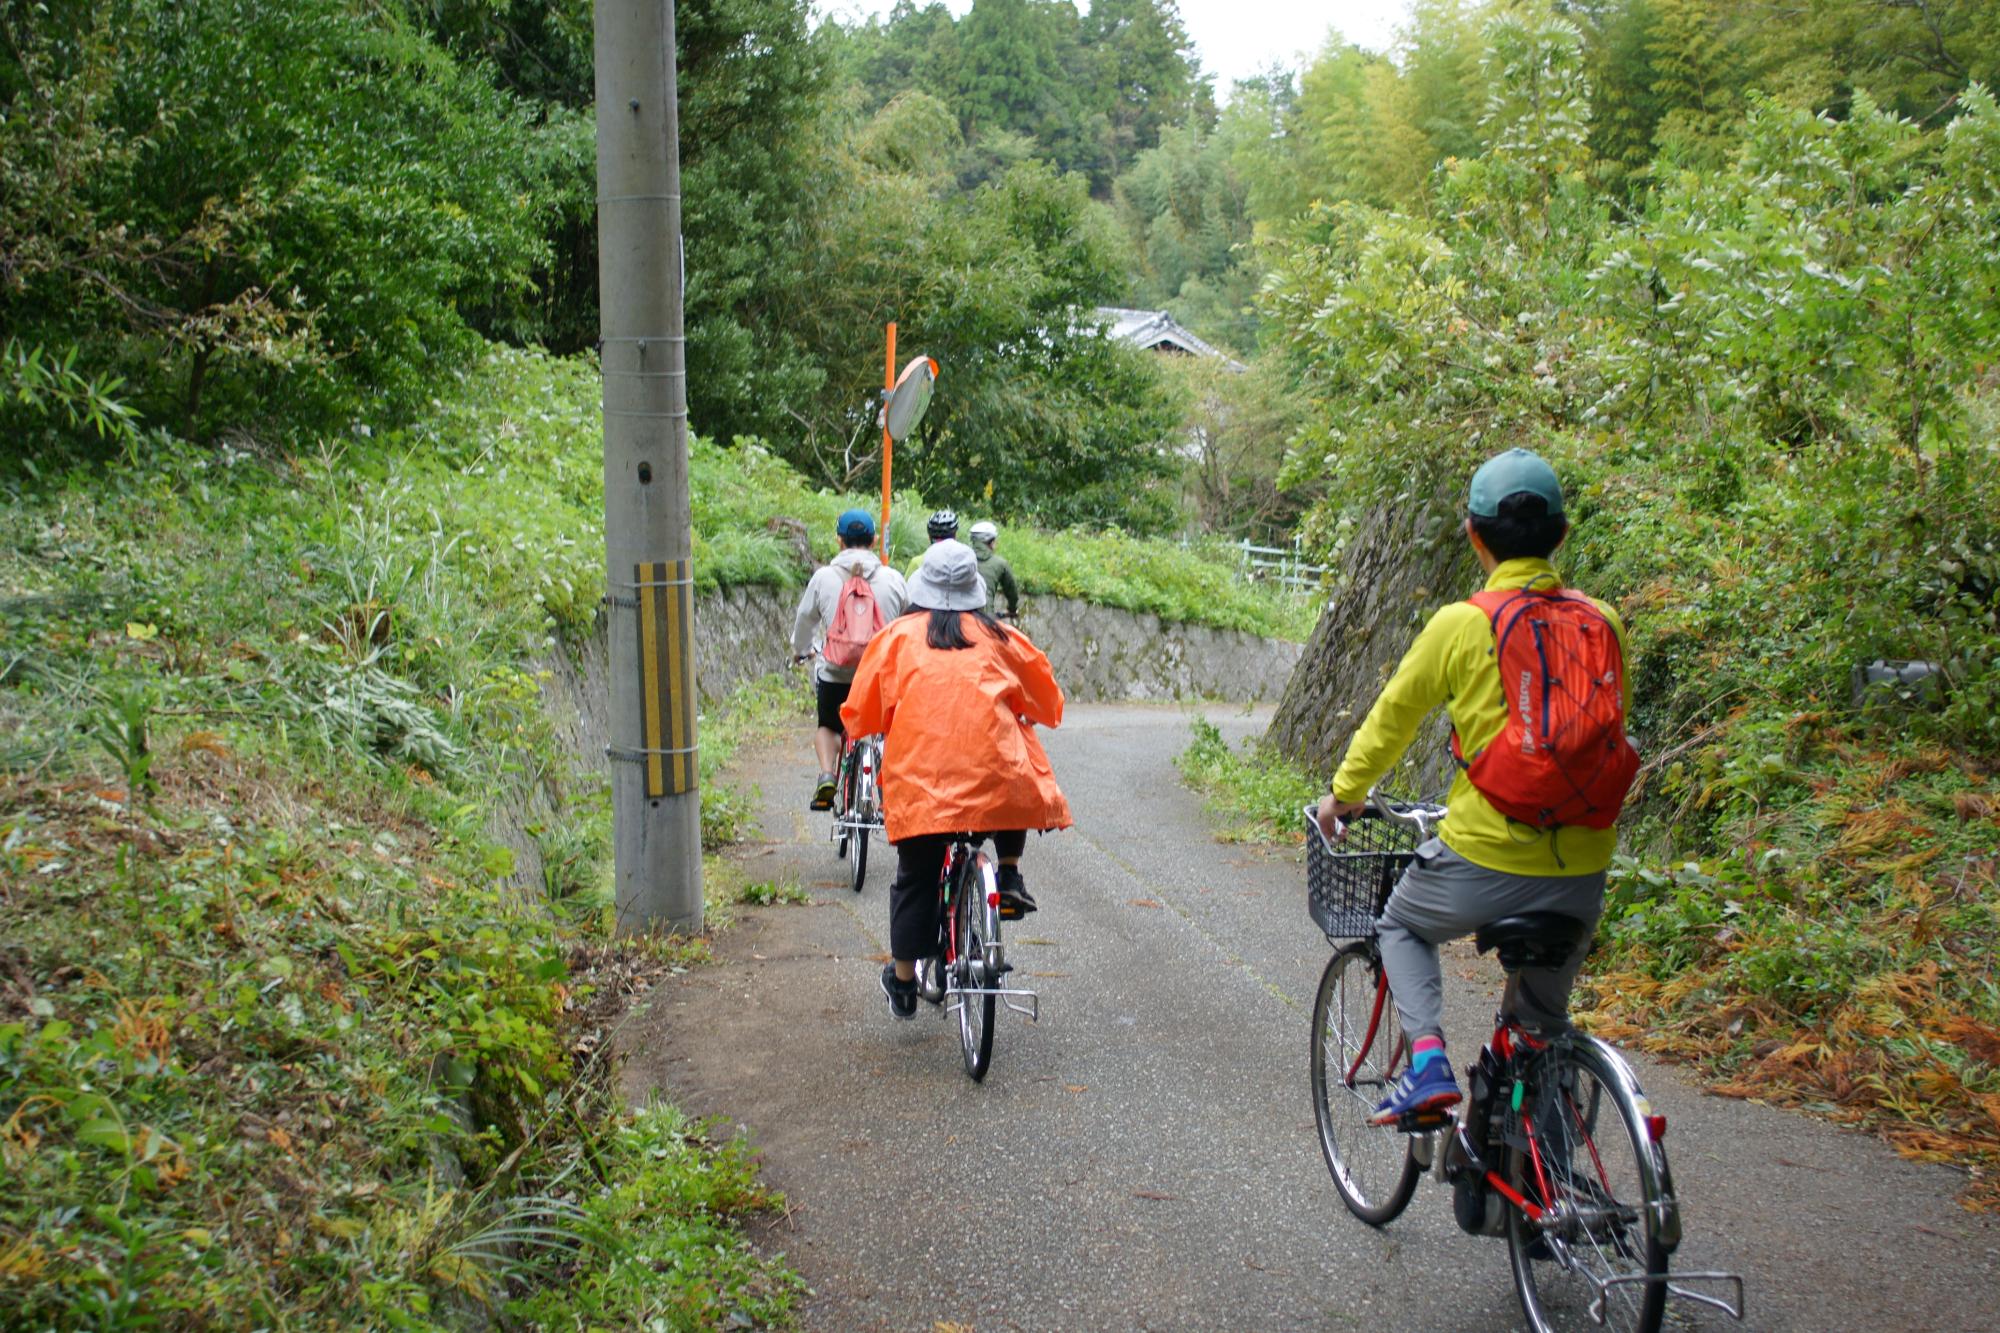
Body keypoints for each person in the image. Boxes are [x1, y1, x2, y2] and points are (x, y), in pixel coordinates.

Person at [1314, 448, 1636, 1124]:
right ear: (1563, 534)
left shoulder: (1464, 622)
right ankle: (1547, 1184)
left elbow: (1391, 720)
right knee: (1541, 1022)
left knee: (1399, 921)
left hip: (1485, 856)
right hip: (1583, 865)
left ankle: (1426, 1061)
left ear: (1474, 533)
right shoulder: (1602, 621)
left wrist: (1343, 796)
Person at [841, 539, 1071, 1020]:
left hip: (923, 785)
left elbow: (860, 716)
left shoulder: (898, 638)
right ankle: (1006, 872)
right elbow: (1048, 705)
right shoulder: (1000, 637)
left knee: (916, 877)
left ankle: (904, 983)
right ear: (975, 589)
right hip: (994, 784)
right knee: (1014, 759)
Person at [791, 509, 908, 810]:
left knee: (829, 726)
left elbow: (805, 620)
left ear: (839, 540)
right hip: (878, 677)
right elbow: (911, 622)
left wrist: (802, 649)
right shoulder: (893, 579)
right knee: (888, 729)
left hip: (836, 673)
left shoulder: (823, 578)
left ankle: (827, 774)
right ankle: (889, 783)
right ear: (874, 540)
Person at [967, 520, 1019, 619]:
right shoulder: (1000, 563)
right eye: (995, 540)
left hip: (958, 620)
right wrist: (1012, 609)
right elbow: (1012, 592)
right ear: (990, 542)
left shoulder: (960, 559)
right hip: (986, 618)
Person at [905, 508, 958, 576]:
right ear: (955, 537)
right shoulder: (962, 563)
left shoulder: (916, 563)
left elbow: (907, 585)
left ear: (929, 537)